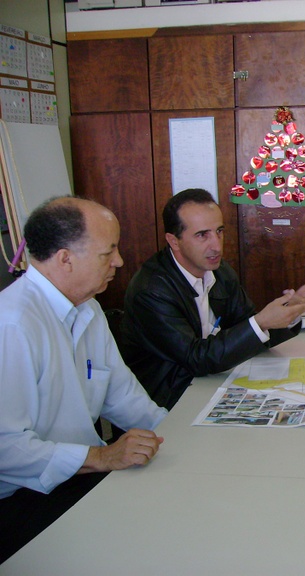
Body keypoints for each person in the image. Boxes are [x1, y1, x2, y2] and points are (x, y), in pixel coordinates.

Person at [0, 197, 167, 563]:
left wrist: (181, 435)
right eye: (108, 252)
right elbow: (6, 449)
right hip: (21, 496)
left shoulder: (87, 307)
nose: (120, 262)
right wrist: (103, 456)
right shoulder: (13, 325)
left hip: (79, 473)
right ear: (65, 259)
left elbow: (121, 396)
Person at [121, 188, 305, 410]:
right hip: (167, 399)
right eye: (202, 235)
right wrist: (260, 322)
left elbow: (248, 331)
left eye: (219, 231)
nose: (217, 245)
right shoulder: (152, 290)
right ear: (174, 241)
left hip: (210, 381)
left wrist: (288, 312)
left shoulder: (219, 272)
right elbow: (196, 358)